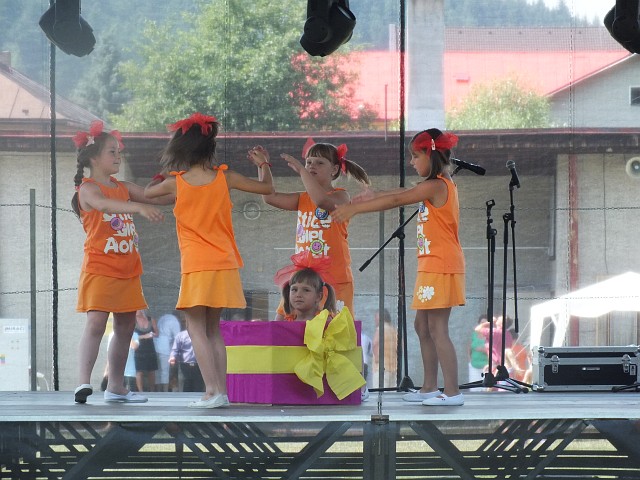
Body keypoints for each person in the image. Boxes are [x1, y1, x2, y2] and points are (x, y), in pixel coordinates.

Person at [144, 112, 274, 408]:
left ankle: (212, 391)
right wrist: (263, 165)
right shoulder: (227, 178)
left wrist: (161, 178)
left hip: (197, 265)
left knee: (195, 328)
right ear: (210, 148)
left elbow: (149, 193)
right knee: (213, 329)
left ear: (182, 150)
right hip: (225, 262)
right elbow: (267, 188)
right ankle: (220, 392)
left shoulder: (175, 183)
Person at [333, 128, 465, 406]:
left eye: (415, 156)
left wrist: (355, 209)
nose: (411, 162)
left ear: (431, 155)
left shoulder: (439, 185)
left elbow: (398, 200)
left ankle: (453, 392)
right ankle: (429, 387)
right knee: (422, 325)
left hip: (441, 264)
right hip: (431, 265)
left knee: (437, 328)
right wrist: (374, 194)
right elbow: (406, 192)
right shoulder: (433, 186)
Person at [71, 120, 172, 404]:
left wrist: (177, 185)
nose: (118, 156)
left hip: (128, 270)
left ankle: (115, 387)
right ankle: (82, 382)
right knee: (96, 322)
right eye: (112, 152)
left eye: (119, 151)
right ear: (94, 158)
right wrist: (138, 207)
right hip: (100, 269)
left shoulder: (123, 187)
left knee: (126, 327)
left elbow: (157, 198)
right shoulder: (87, 189)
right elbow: (104, 205)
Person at [249, 140, 370, 317]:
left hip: (334, 276)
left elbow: (322, 201)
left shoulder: (341, 195)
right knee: (282, 320)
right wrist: (263, 165)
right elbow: (270, 197)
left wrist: (302, 170)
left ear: (334, 169)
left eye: (319, 163)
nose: (312, 166)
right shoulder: (302, 198)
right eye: (308, 162)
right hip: (303, 278)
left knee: (335, 325)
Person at [273, 251, 338, 322]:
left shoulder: (325, 322)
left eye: (306, 290)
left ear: (318, 296)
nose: (298, 295)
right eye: (294, 290)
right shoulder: (286, 322)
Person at [169, 321, 204, 392]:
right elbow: (175, 349)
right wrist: (172, 357)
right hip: (185, 365)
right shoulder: (180, 335)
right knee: (186, 385)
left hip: (199, 365)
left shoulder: (203, 335)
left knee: (198, 386)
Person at [154, 311, 181, 391]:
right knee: (165, 370)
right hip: (165, 346)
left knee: (157, 370)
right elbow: (178, 337)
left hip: (156, 343)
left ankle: (158, 389)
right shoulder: (175, 321)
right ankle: (165, 390)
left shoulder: (163, 317)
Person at [372, 308, 398, 389]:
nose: (375, 320)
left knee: (379, 391)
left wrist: (377, 359)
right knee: (391, 393)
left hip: (381, 368)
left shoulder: (380, 329)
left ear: (380, 318)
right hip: (394, 368)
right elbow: (399, 347)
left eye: (376, 318)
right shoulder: (394, 330)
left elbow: (375, 343)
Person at [134, 309, 158, 392]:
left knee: (152, 371)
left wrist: (152, 334)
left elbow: (157, 333)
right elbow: (130, 336)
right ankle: (140, 391)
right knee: (139, 371)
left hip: (150, 347)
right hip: (138, 348)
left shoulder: (150, 319)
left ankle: (152, 390)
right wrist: (144, 336)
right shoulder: (133, 321)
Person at [468, 314, 489, 390]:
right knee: (473, 388)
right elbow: (469, 347)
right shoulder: (474, 334)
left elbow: (495, 350)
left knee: (485, 388)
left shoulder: (491, 334)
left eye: (485, 323)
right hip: (474, 365)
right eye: (482, 323)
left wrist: (484, 350)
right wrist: (469, 359)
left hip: (486, 366)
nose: (483, 325)